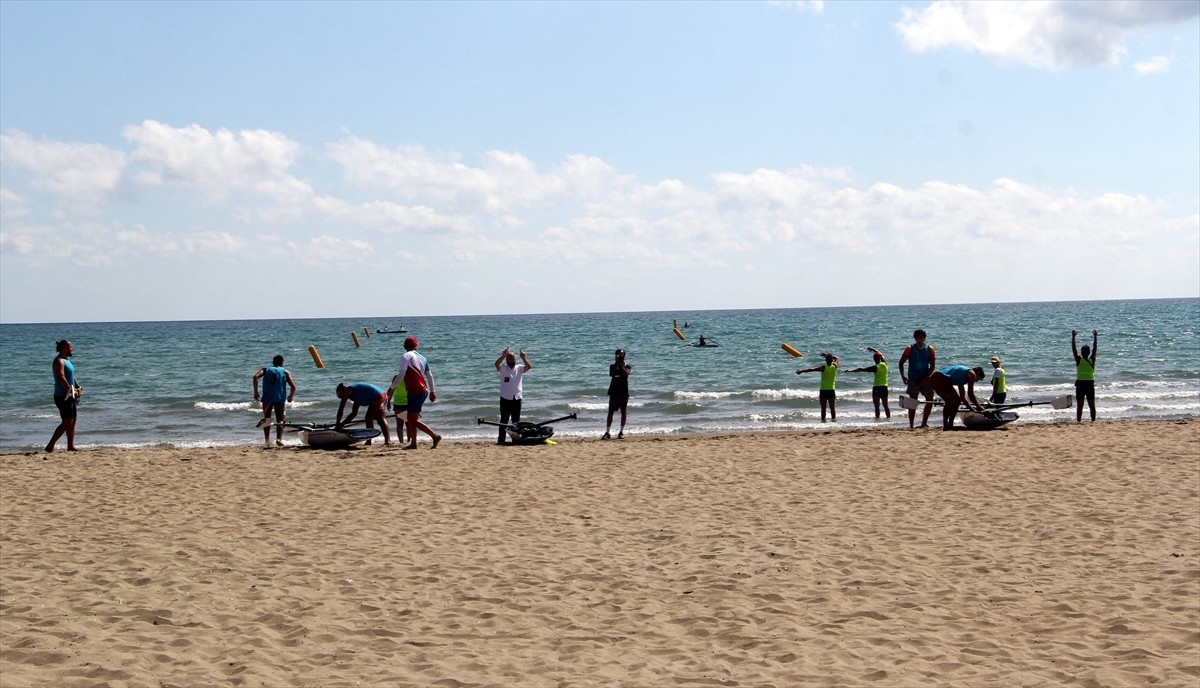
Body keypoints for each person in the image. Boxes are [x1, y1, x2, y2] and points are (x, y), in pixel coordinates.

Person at [398, 336, 441, 449]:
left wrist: (392, 388)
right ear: (416, 345)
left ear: (404, 347)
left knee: (412, 419)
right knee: (412, 419)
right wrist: (432, 391)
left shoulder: (405, 356)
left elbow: (401, 374)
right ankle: (413, 444)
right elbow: (429, 376)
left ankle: (435, 436)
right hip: (422, 391)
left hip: (415, 391)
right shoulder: (423, 358)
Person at [253, 355, 297, 447]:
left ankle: (267, 440)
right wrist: (291, 396)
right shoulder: (285, 371)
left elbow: (255, 377)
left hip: (267, 398)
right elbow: (293, 386)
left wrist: (256, 392)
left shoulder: (266, 369)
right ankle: (279, 439)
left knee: (267, 419)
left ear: (273, 362)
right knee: (281, 420)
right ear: (282, 362)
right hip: (280, 398)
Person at [46, 339, 82, 452]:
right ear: (65, 347)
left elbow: (71, 376)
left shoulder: (67, 361)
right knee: (66, 422)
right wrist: (70, 390)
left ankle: (70, 446)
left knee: (73, 421)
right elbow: (62, 378)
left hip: (70, 395)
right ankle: (50, 446)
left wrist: (78, 387)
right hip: (62, 396)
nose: (72, 349)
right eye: (71, 347)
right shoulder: (59, 361)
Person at [899, 329, 937, 429]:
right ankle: (911, 424)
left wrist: (925, 378)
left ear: (924, 338)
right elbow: (901, 363)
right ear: (915, 338)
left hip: (926, 378)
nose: (919, 340)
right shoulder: (910, 348)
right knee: (912, 402)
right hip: (913, 379)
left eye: (921, 338)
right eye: (917, 338)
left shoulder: (930, 349)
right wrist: (903, 376)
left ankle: (924, 422)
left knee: (930, 400)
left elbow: (932, 366)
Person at [929, 365, 987, 431]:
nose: (976, 381)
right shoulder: (972, 374)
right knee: (956, 401)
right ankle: (950, 425)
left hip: (933, 379)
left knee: (949, 402)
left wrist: (971, 408)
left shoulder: (962, 377)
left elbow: (962, 397)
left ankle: (945, 426)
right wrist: (978, 406)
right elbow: (970, 394)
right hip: (939, 378)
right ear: (978, 373)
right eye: (978, 379)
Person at [494, 347, 532, 445]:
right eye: (510, 359)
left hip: (517, 398)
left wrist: (523, 357)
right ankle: (501, 440)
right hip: (505, 398)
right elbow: (496, 364)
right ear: (507, 360)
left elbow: (529, 367)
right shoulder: (503, 368)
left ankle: (516, 440)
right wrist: (503, 355)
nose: (512, 360)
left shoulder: (519, 368)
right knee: (504, 421)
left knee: (516, 421)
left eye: (513, 359)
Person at [335, 382, 391, 446]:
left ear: (342, 390)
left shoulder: (347, 390)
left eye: (340, 395)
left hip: (380, 396)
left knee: (380, 418)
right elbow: (354, 413)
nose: (342, 398)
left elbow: (341, 409)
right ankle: (369, 441)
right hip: (374, 399)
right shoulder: (355, 397)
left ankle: (388, 440)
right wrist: (342, 424)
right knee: (368, 419)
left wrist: (337, 424)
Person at [848, 347, 890, 419]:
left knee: (877, 406)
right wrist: (873, 350)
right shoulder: (885, 364)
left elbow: (861, 369)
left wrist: (850, 371)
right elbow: (881, 354)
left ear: (874, 359)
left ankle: (877, 419)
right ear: (880, 358)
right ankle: (888, 418)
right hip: (884, 387)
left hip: (877, 387)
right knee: (886, 405)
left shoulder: (875, 367)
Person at [797, 352, 839, 422]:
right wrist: (827, 355)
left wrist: (802, 371)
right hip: (831, 390)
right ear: (832, 360)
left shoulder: (823, 367)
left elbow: (812, 369)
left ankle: (823, 421)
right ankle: (834, 420)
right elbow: (837, 358)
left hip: (823, 390)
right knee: (832, 408)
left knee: (823, 408)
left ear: (825, 360)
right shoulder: (834, 366)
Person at [603, 349, 631, 439]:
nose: (620, 357)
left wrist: (620, 364)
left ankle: (621, 431)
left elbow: (625, 374)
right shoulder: (612, 366)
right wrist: (616, 364)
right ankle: (607, 432)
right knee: (611, 412)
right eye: (618, 355)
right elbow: (611, 374)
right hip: (614, 392)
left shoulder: (627, 366)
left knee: (623, 411)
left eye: (621, 355)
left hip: (623, 392)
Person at [1072, 329, 1098, 422]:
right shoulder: (1092, 360)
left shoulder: (1079, 360)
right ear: (1089, 352)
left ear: (1082, 353)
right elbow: (1095, 349)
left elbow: (1074, 350)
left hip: (1080, 385)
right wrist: (1095, 337)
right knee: (1092, 405)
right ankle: (1093, 421)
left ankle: (1079, 421)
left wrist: (1073, 337)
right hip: (1090, 384)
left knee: (1080, 406)